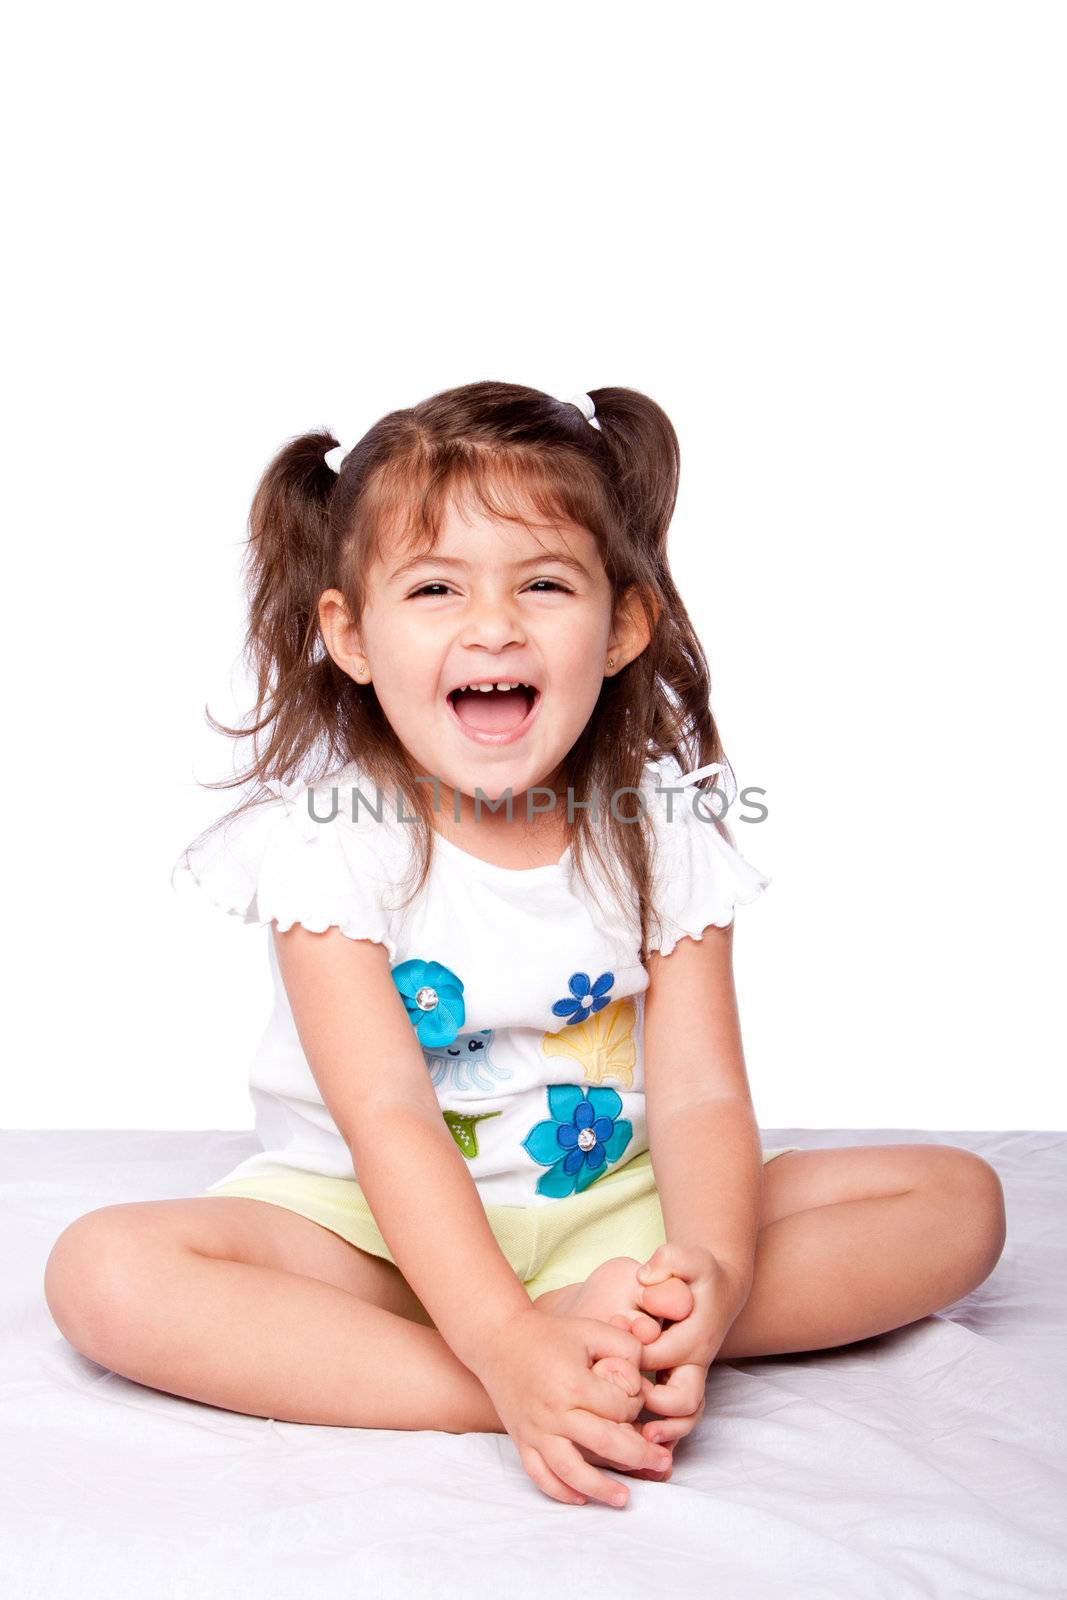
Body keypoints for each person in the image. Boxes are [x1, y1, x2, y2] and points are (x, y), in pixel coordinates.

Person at [43, 382, 1007, 1513]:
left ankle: (617, 1334)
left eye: (542, 584)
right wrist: (501, 1344)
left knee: (956, 1202)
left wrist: (714, 1268)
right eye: (436, 587)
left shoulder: (663, 828)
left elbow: (698, 1097)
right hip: (373, 1234)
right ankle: (515, 1377)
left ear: (622, 625)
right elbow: (389, 1116)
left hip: (617, 1210)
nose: (491, 625)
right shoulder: (326, 844)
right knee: (103, 1273)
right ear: (349, 633)